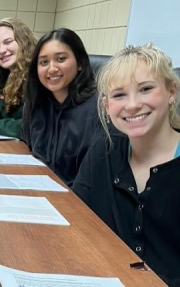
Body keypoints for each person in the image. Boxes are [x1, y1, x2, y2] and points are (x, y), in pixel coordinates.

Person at [73, 44, 180, 285]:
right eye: (119, 95)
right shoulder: (103, 152)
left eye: (146, 89)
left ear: (171, 92)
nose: (132, 105)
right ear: (106, 105)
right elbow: (77, 224)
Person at [23, 28, 97, 186]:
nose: (52, 68)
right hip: (40, 189)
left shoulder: (97, 109)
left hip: (77, 201)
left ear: (80, 64)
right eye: (43, 62)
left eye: (61, 59)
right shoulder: (35, 103)